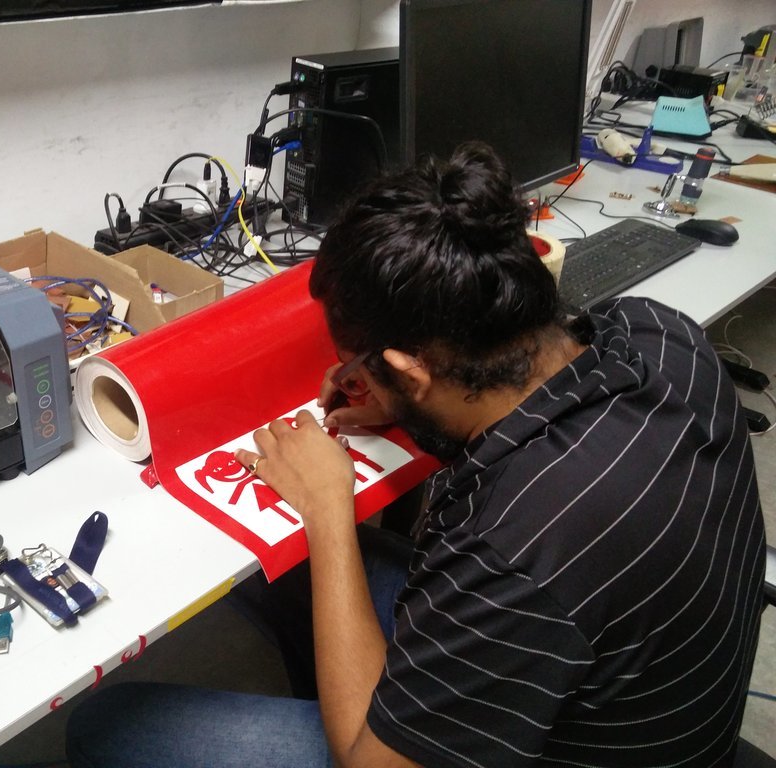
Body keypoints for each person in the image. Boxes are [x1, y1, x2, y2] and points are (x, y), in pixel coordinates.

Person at [66, 143, 767, 767]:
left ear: (412, 367)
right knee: (282, 570)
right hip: (650, 693)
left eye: (370, 368)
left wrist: (329, 510)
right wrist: (402, 399)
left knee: (109, 726)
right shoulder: (663, 336)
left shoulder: (509, 547)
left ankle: (380, 705)